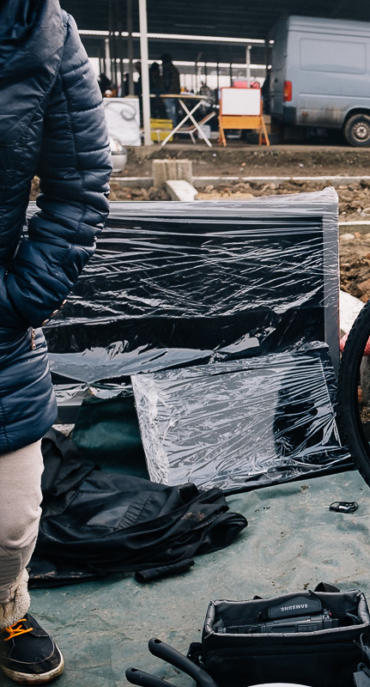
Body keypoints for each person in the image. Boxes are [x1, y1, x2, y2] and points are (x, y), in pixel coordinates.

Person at [0, 0, 112, 682]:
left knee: (12, 518)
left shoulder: (45, 33)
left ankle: (8, 603)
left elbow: (79, 189)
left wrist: (19, 300)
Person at [160, 54, 180, 124]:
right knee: (173, 113)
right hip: (172, 95)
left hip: (170, 95)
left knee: (171, 114)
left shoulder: (169, 71)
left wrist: (165, 95)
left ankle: (173, 131)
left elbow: (168, 84)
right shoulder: (173, 70)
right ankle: (173, 131)